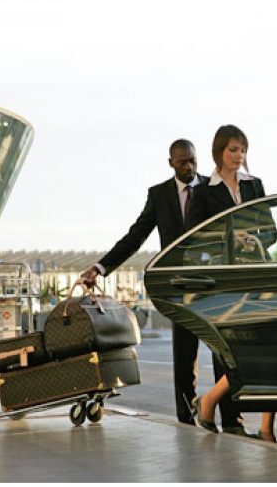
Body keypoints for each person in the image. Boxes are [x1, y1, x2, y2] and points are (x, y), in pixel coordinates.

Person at [80, 139, 220, 428]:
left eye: (193, 160)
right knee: (184, 358)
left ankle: (231, 418)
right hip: (178, 287)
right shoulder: (159, 195)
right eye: (182, 162)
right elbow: (135, 237)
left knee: (222, 353)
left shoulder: (211, 188)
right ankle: (187, 421)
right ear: (171, 163)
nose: (189, 166)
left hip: (212, 283)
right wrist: (100, 267)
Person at [186, 124, 277, 442]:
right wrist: (229, 239)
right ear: (219, 152)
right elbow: (193, 241)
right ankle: (232, 419)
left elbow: (273, 232)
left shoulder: (255, 186)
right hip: (223, 281)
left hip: (256, 276)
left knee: (264, 346)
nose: (239, 156)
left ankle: (259, 426)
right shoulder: (203, 192)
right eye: (233, 150)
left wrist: (254, 239)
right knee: (227, 351)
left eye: (243, 150)